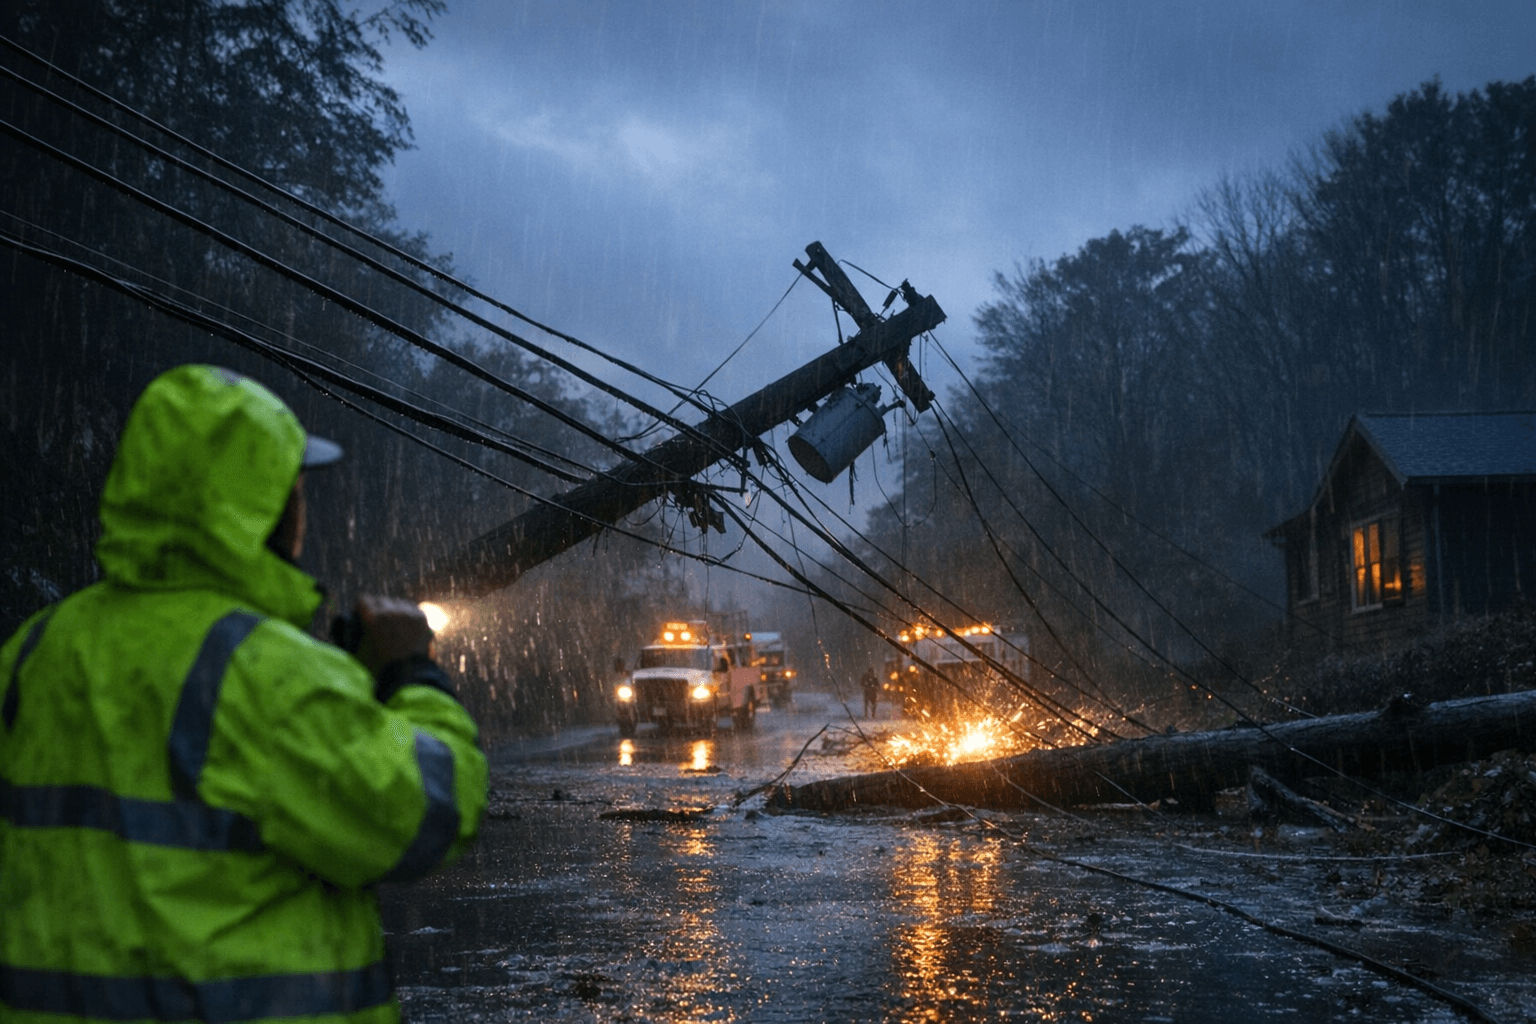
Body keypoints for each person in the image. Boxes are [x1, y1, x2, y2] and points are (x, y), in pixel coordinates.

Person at [0, 365, 487, 1023]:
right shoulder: (265, 672)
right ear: (271, 511)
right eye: (296, 491)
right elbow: (425, 814)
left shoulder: (32, 651)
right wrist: (414, 676)